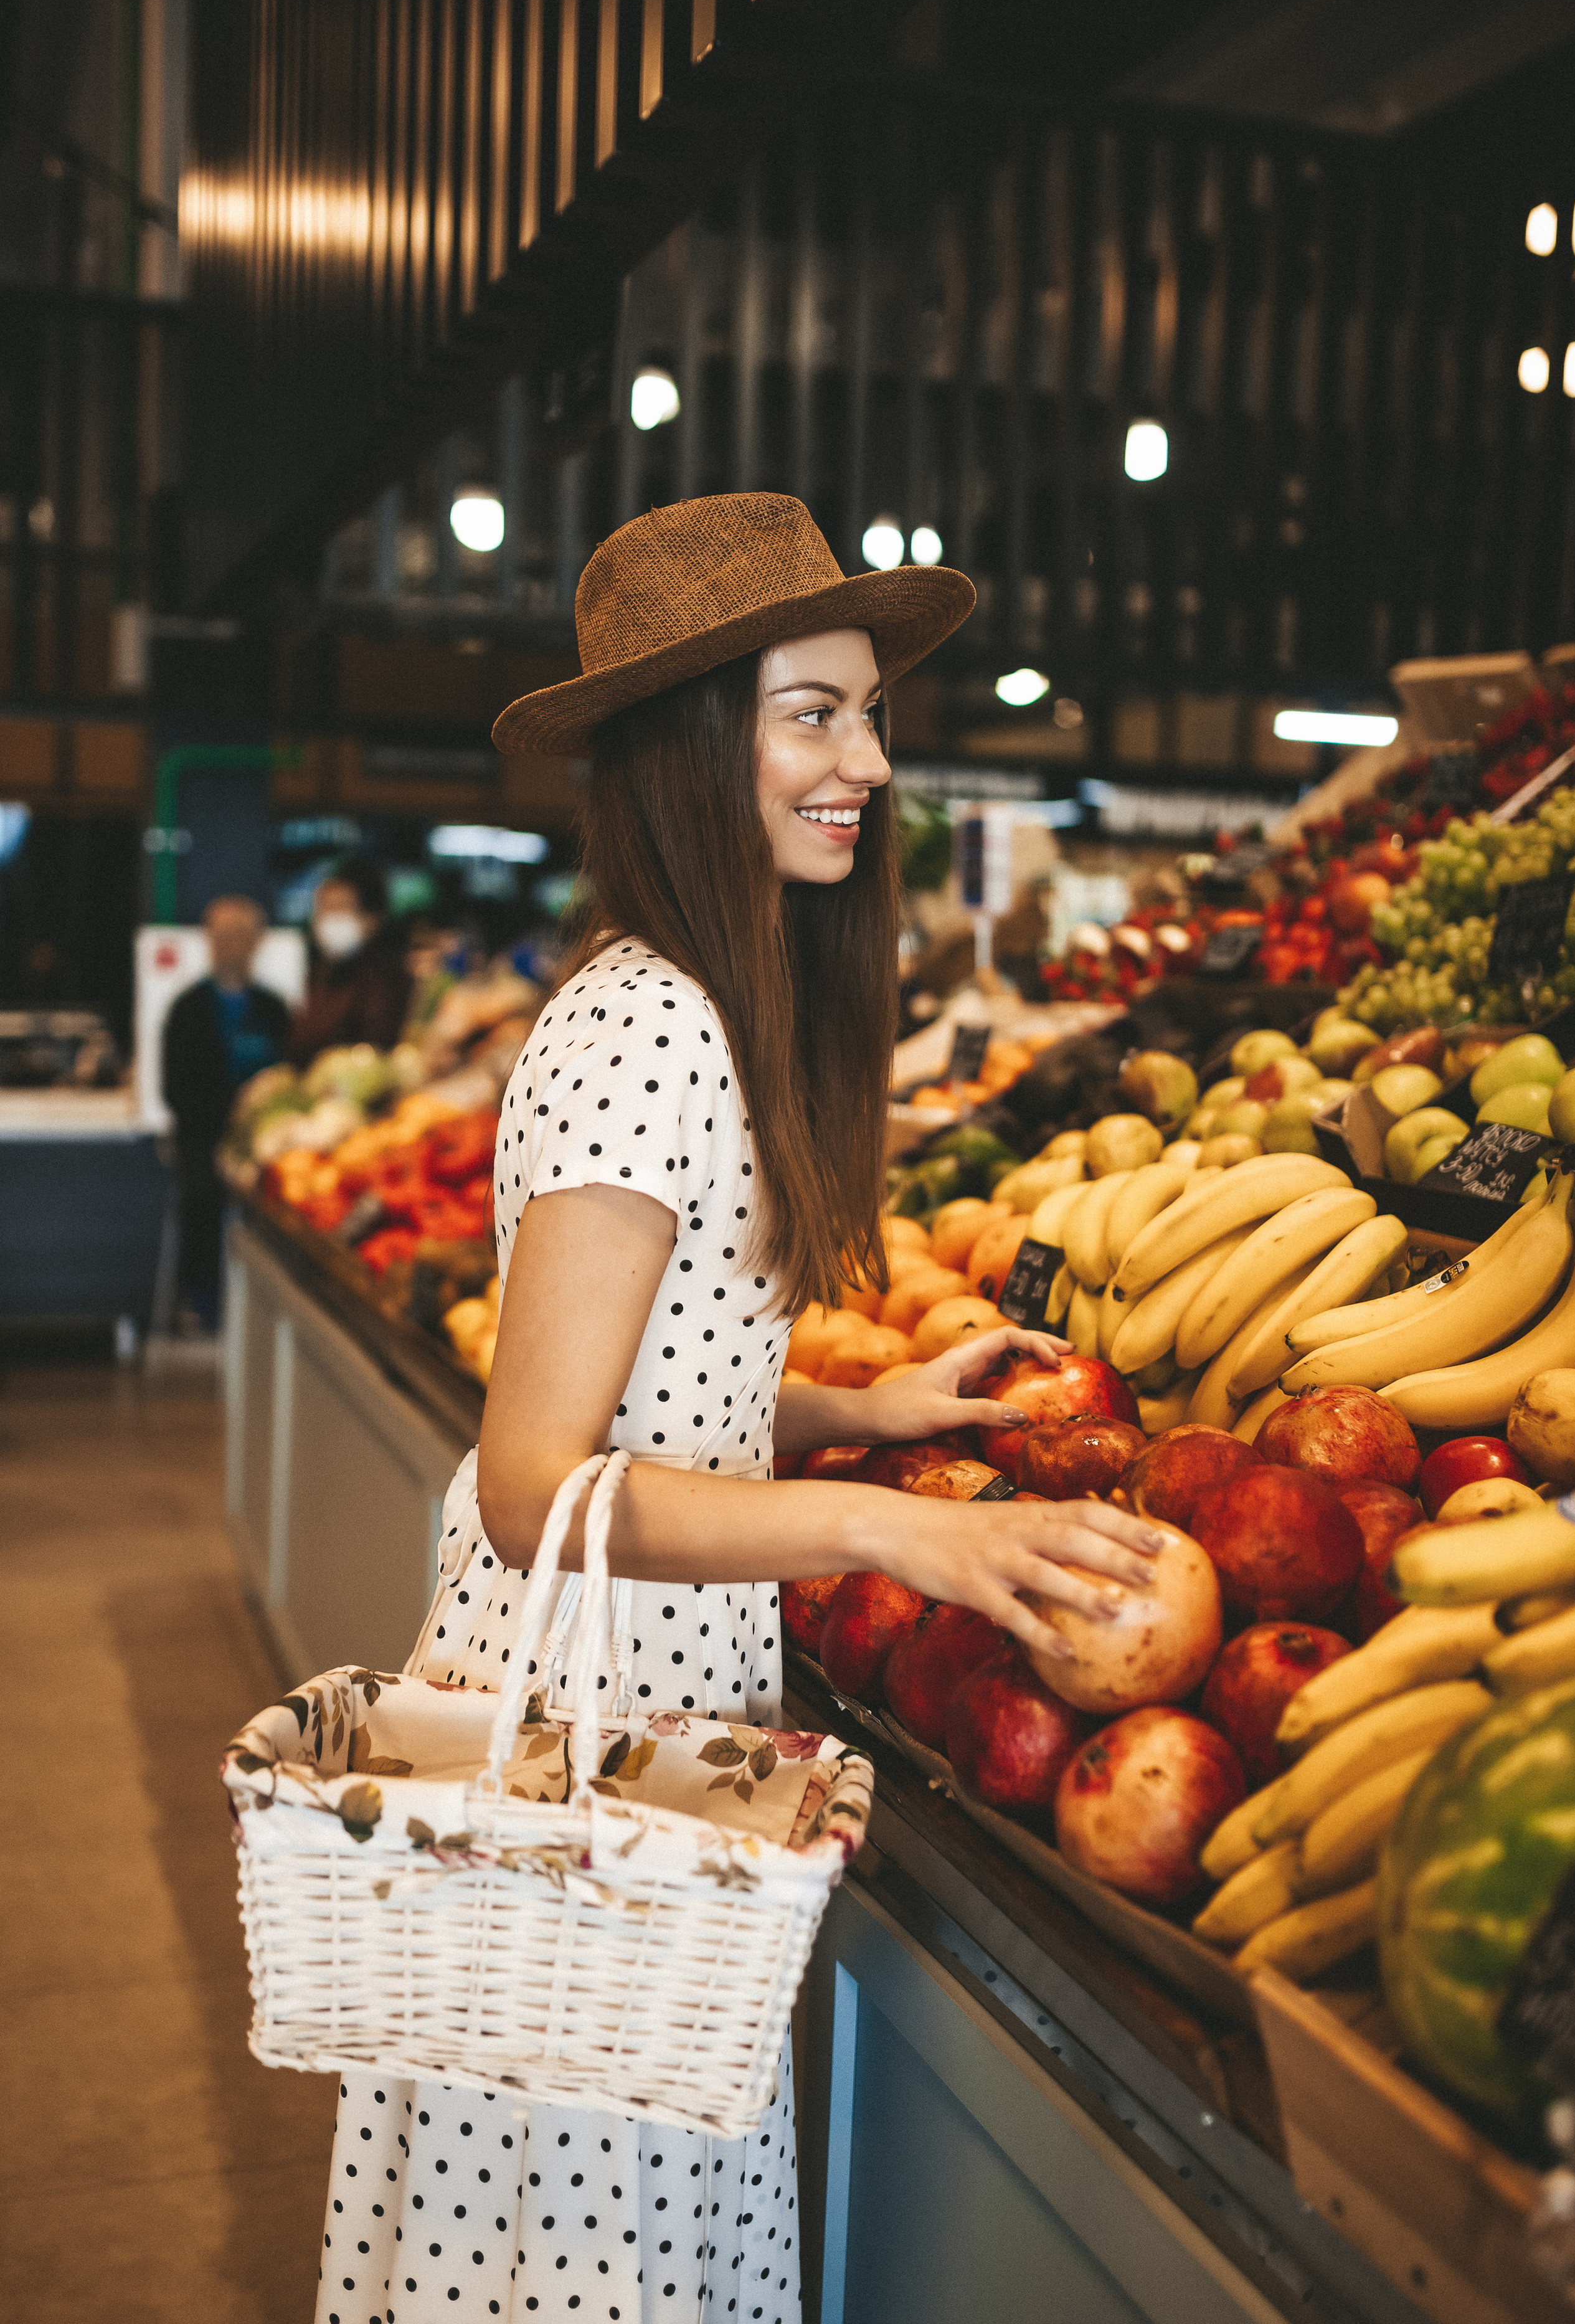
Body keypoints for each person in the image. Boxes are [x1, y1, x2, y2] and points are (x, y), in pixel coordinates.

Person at [315, 493, 1164, 2324]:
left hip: (654, 1719)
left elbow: (667, 1392)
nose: (869, 757)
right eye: (813, 713)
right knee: (579, 2263)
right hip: (582, 1742)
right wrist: (889, 1520)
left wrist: (864, 1405)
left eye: (866, 712)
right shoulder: (646, 1028)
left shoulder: (717, 1002)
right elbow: (538, 1477)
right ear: (700, 743)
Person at [161, 895, 288, 1327]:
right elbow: (174, 1087)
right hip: (205, 1140)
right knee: (201, 1195)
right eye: (223, 936)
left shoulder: (275, 1009)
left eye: (241, 936)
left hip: (268, 1142)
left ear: (258, 942)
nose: (231, 945)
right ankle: (204, 1304)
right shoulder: (187, 1009)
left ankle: (267, 1310)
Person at [288, 854, 412, 1064]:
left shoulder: (385, 979)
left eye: (340, 909)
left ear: (372, 920)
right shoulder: (313, 972)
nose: (329, 919)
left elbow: (377, 1048)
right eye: (323, 909)